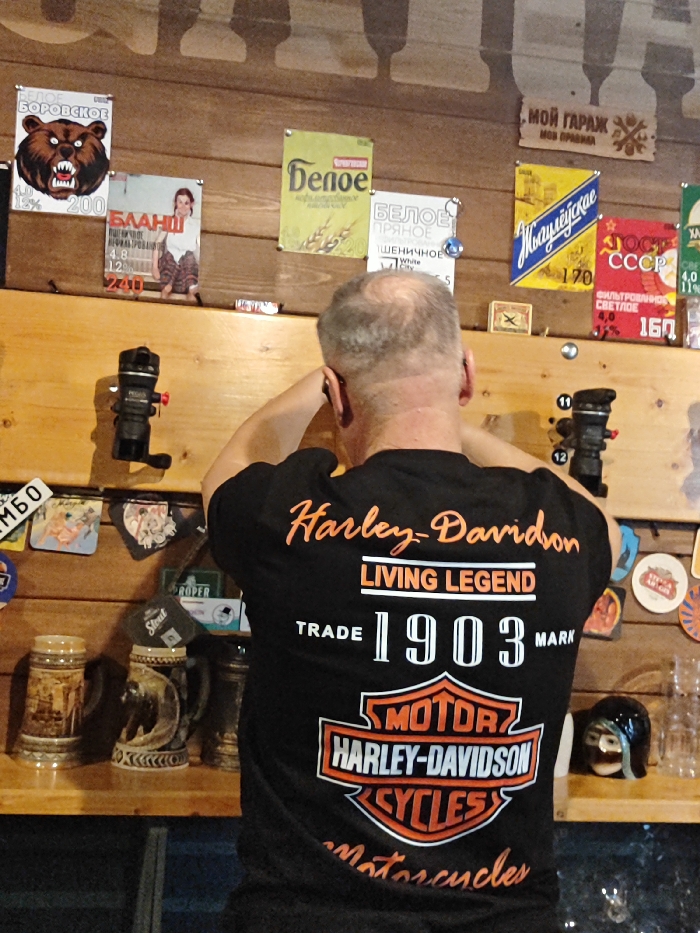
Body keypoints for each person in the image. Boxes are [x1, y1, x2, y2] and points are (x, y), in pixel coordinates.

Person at [203, 270, 621, 933]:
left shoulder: (294, 514)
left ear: (339, 393)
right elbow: (606, 525)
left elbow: (223, 477)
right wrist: (458, 424)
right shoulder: (560, 527)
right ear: (466, 375)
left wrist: (326, 381)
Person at [151, 187, 200, 300]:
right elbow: (157, 243)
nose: (183, 206)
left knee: (192, 291)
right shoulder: (170, 221)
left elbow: (201, 247)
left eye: (186, 203)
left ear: (191, 204)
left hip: (187, 262)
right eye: (180, 202)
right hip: (171, 260)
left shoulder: (195, 226)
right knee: (166, 290)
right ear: (175, 203)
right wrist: (155, 267)